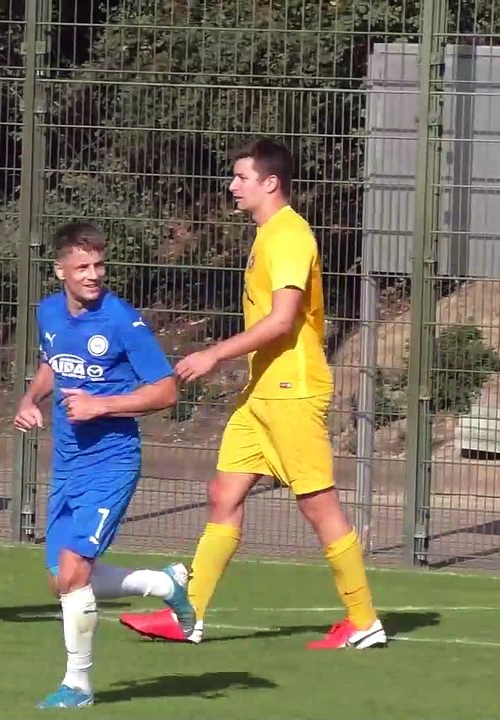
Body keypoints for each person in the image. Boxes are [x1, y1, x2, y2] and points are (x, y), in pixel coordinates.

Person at [117, 139, 387, 650]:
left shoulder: (288, 236)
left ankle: (363, 618)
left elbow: (283, 321)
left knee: (318, 506)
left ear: (270, 183)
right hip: (260, 392)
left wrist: (215, 353)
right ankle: (188, 615)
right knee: (223, 494)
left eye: (241, 177)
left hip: (291, 391)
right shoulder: (268, 235)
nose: (232, 186)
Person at [14, 222, 196, 709]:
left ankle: (78, 684)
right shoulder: (48, 312)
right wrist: (31, 398)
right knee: (62, 578)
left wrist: (102, 406)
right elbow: (54, 362)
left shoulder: (121, 320)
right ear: (60, 271)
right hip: (68, 462)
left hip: (111, 461)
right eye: (83, 267)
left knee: (73, 573)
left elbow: (165, 391)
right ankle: (165, 583)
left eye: (99, 265)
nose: (94, 275)